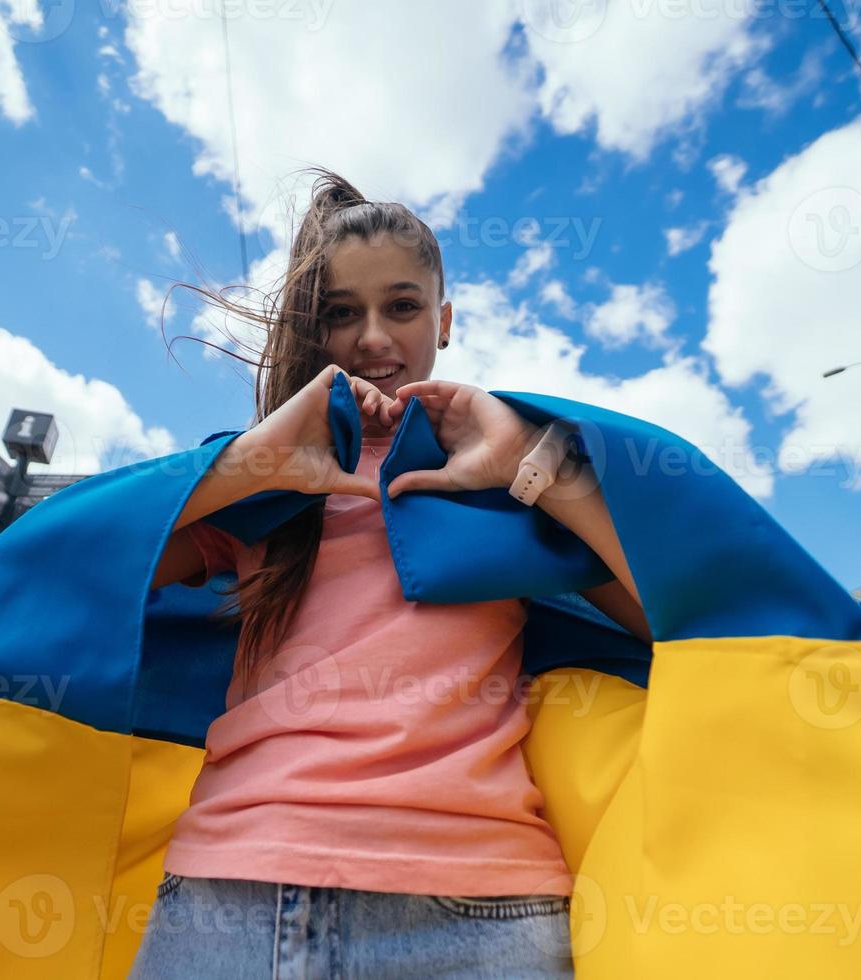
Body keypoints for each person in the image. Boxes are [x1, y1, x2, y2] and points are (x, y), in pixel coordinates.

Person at [129, 168, 651, 977]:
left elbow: (675, 620)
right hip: (227, 898)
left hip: (482, 911)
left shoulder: (512, 477)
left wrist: (528, 464)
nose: (373, 337)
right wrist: (249, 466)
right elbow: (96, 574)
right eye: (341, 314)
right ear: (314, 329)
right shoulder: (264, 473)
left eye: (401, 307)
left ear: (442, 319)